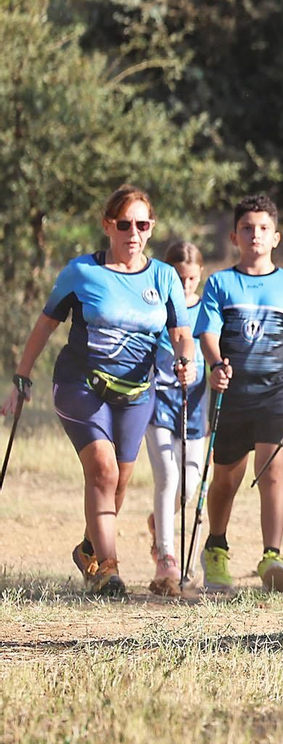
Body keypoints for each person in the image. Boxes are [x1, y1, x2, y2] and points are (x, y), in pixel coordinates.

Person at [0, 185, 196, 597]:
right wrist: (21, 377)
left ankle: (89, 548)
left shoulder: (163, 276)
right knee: (103, 471)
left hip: (137, 393)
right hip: (80, 385)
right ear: (108, 225)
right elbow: (44, 325)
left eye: (142, 224)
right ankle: (107, 570)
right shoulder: (82, 272)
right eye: (123, 224)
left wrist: (185, 358)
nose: (133, 233)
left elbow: (180, 331)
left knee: (119, 483)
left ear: (151, 227)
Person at [194, 194, 283, 593]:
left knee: (272, 472)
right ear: (235, 236)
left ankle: (272, 555)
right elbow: (208, 334)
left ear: (276, 237)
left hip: (279, 393)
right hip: (232, 395)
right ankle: (216, 547)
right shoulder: (220, 283)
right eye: (247, 228)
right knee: (226, 480)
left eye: (263, 229)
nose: (256, 235)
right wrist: (216, 364)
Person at [144, 241, 208, 596]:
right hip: (160, 403)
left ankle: (166, 531)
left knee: (190, 489)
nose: (184, 287)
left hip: (195, 406)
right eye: (178, 279)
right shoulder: (156, 313)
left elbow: (212, 347)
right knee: (167, 476)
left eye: (191, 279)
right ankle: (167, 562)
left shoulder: (204, 310)